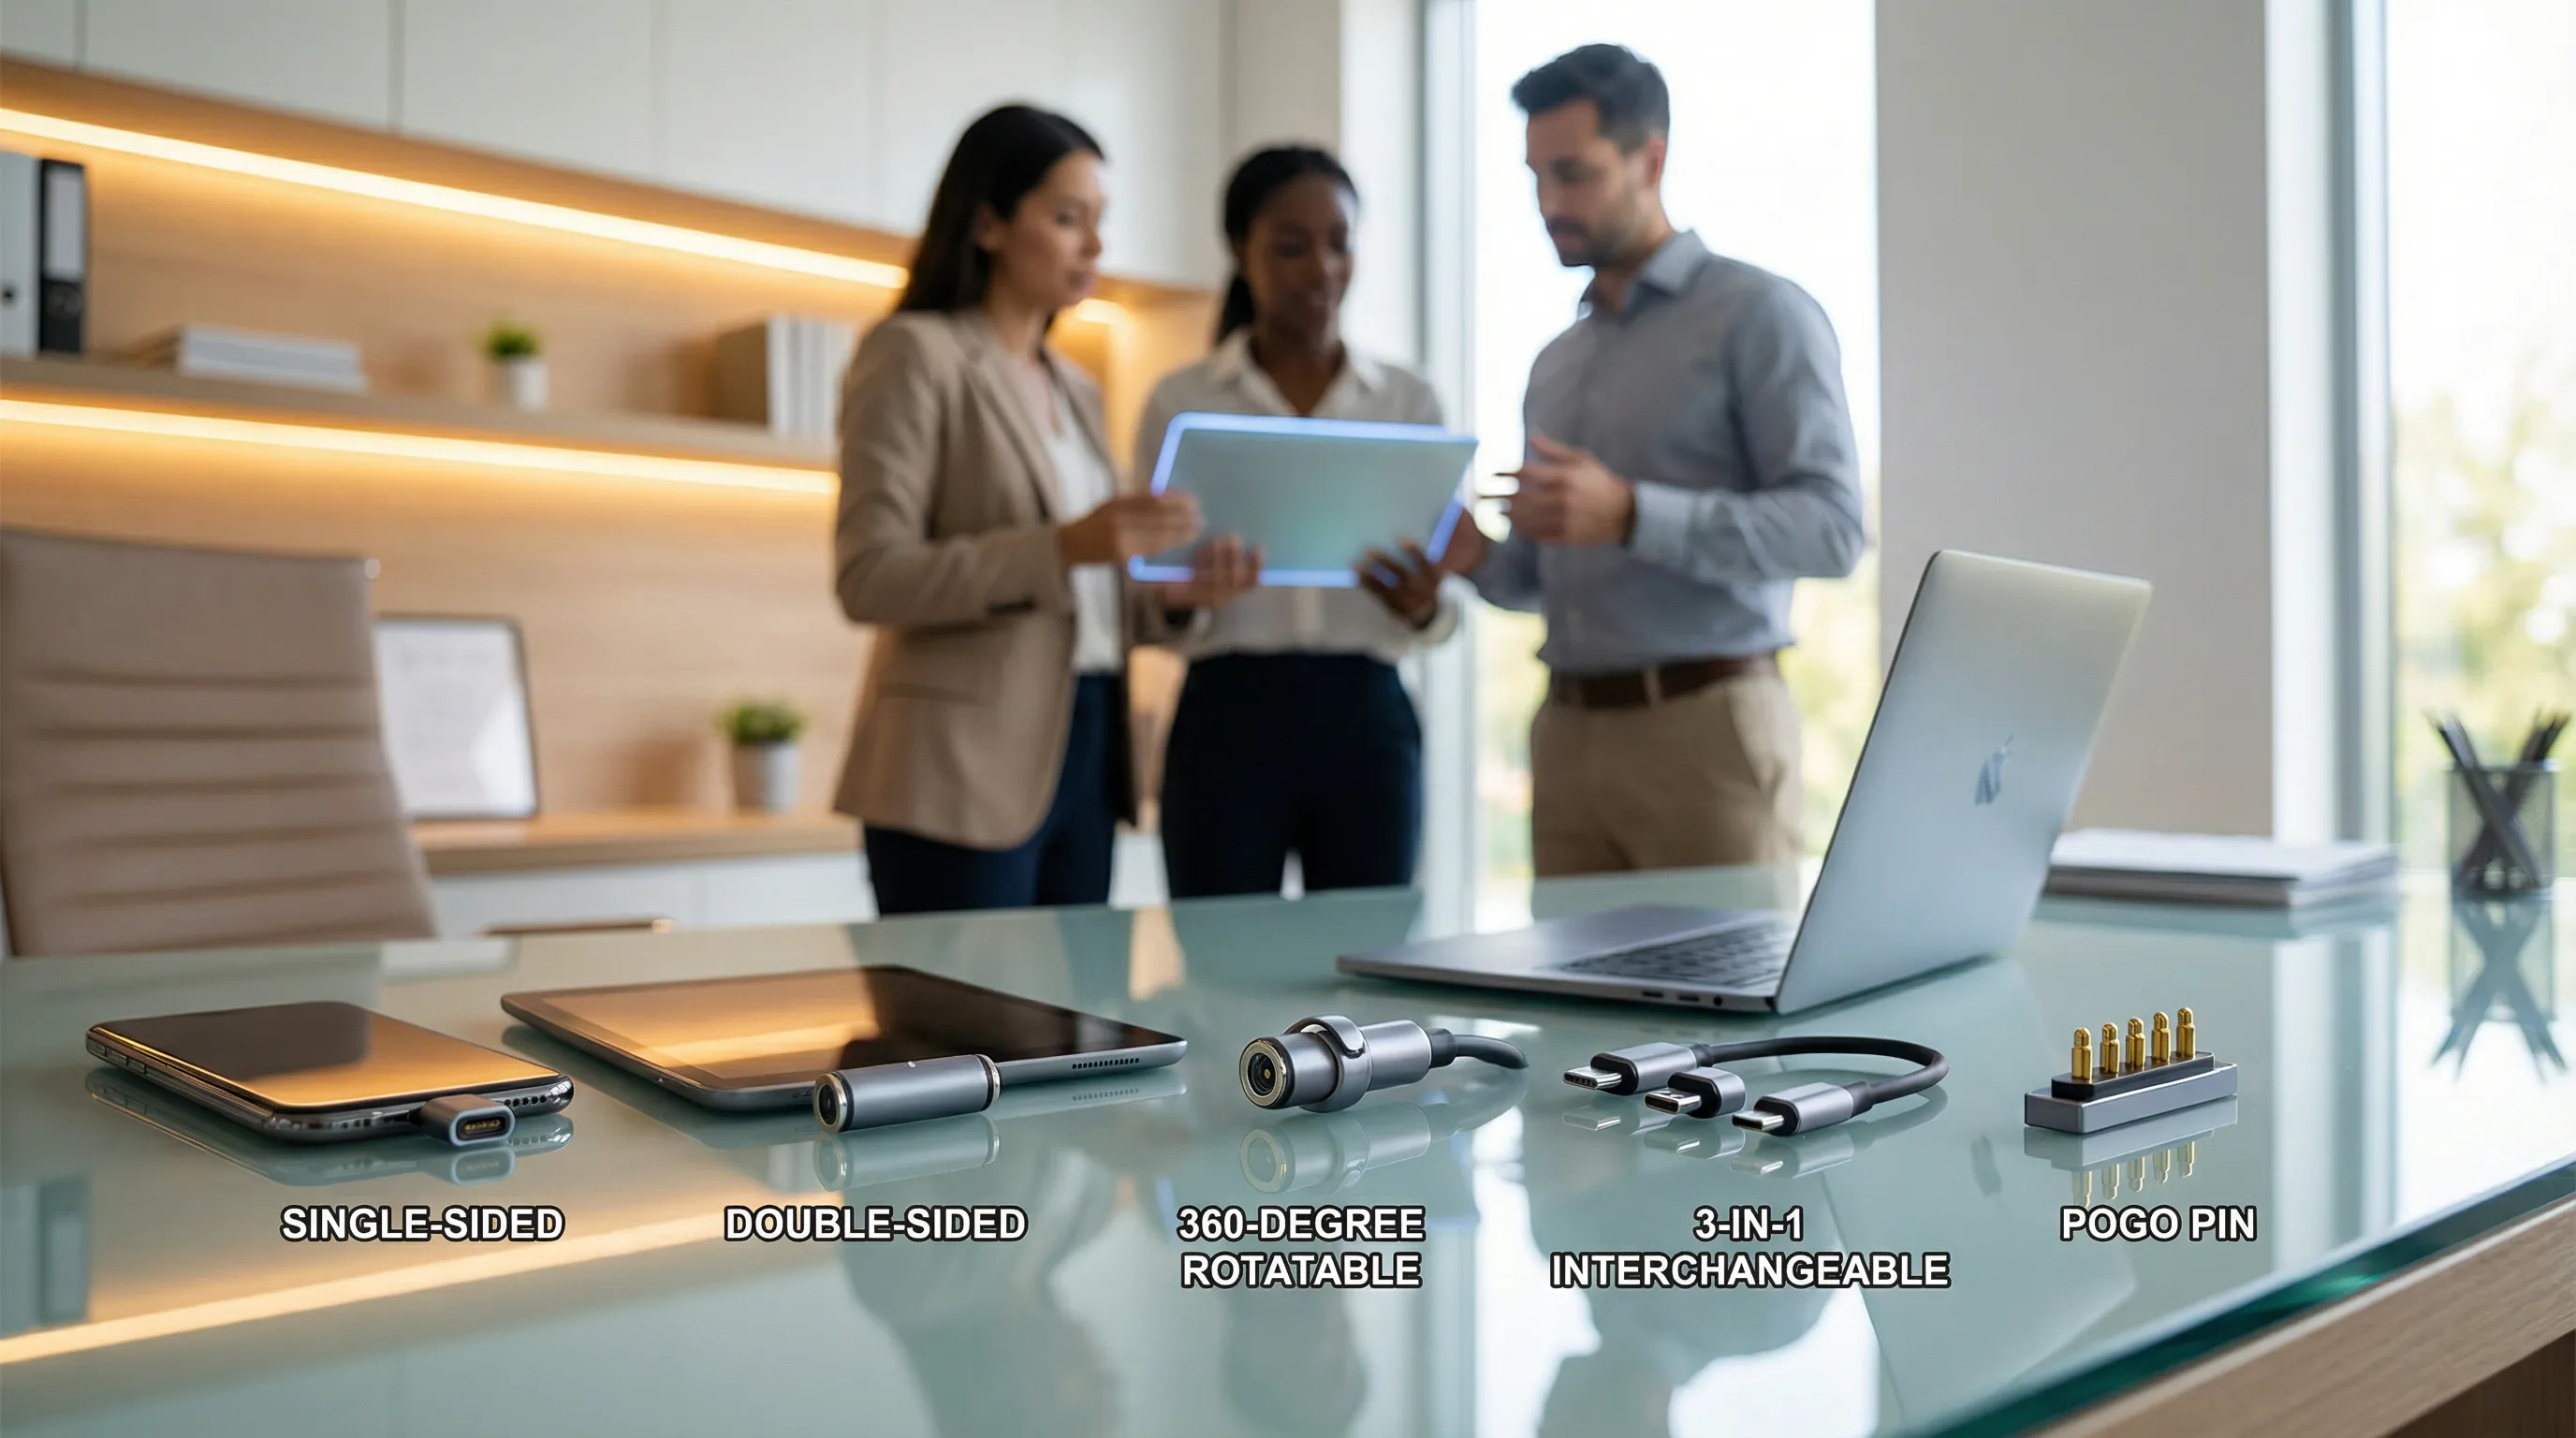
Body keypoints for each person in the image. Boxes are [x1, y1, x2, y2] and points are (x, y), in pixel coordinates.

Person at [1407, 43, 1867, 876]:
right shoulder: (1556, 362)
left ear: (1649, 159)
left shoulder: (1760, 314)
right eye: (1535, 176)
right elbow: (1545, 583)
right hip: (1566, 736)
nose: (1549, 202)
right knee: (1571, 1009)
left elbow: (1833, 531)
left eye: (1573, 173)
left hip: (1707, 733)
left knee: (1720, 1002)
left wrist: (1629, 513)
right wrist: (1479, 560)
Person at [832, 105, 1255, 915]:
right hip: (955, 769)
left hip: (1088, 748)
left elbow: (1088, 592)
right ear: (988, 222)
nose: (1094, 246)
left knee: (1072, 1029)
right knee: (964, 1027)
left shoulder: (1080, 386)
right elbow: (869, 576)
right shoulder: (913, 353)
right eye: (1067, 219)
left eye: (1099, 223)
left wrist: (1173, 596)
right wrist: (1062, 546)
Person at [1133, 146, 1462, 899]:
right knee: (1219, 959)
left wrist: (1425, 606)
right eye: (1290, 246)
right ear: (1239, 253)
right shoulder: (1179, 401)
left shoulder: (1409, 402)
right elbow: (1147, 595)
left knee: (1369, 964)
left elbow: (1443, 600)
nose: (1321, 268)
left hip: (1369, 716)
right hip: (1226, 718)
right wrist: (1186, 598)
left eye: (1339, 243)